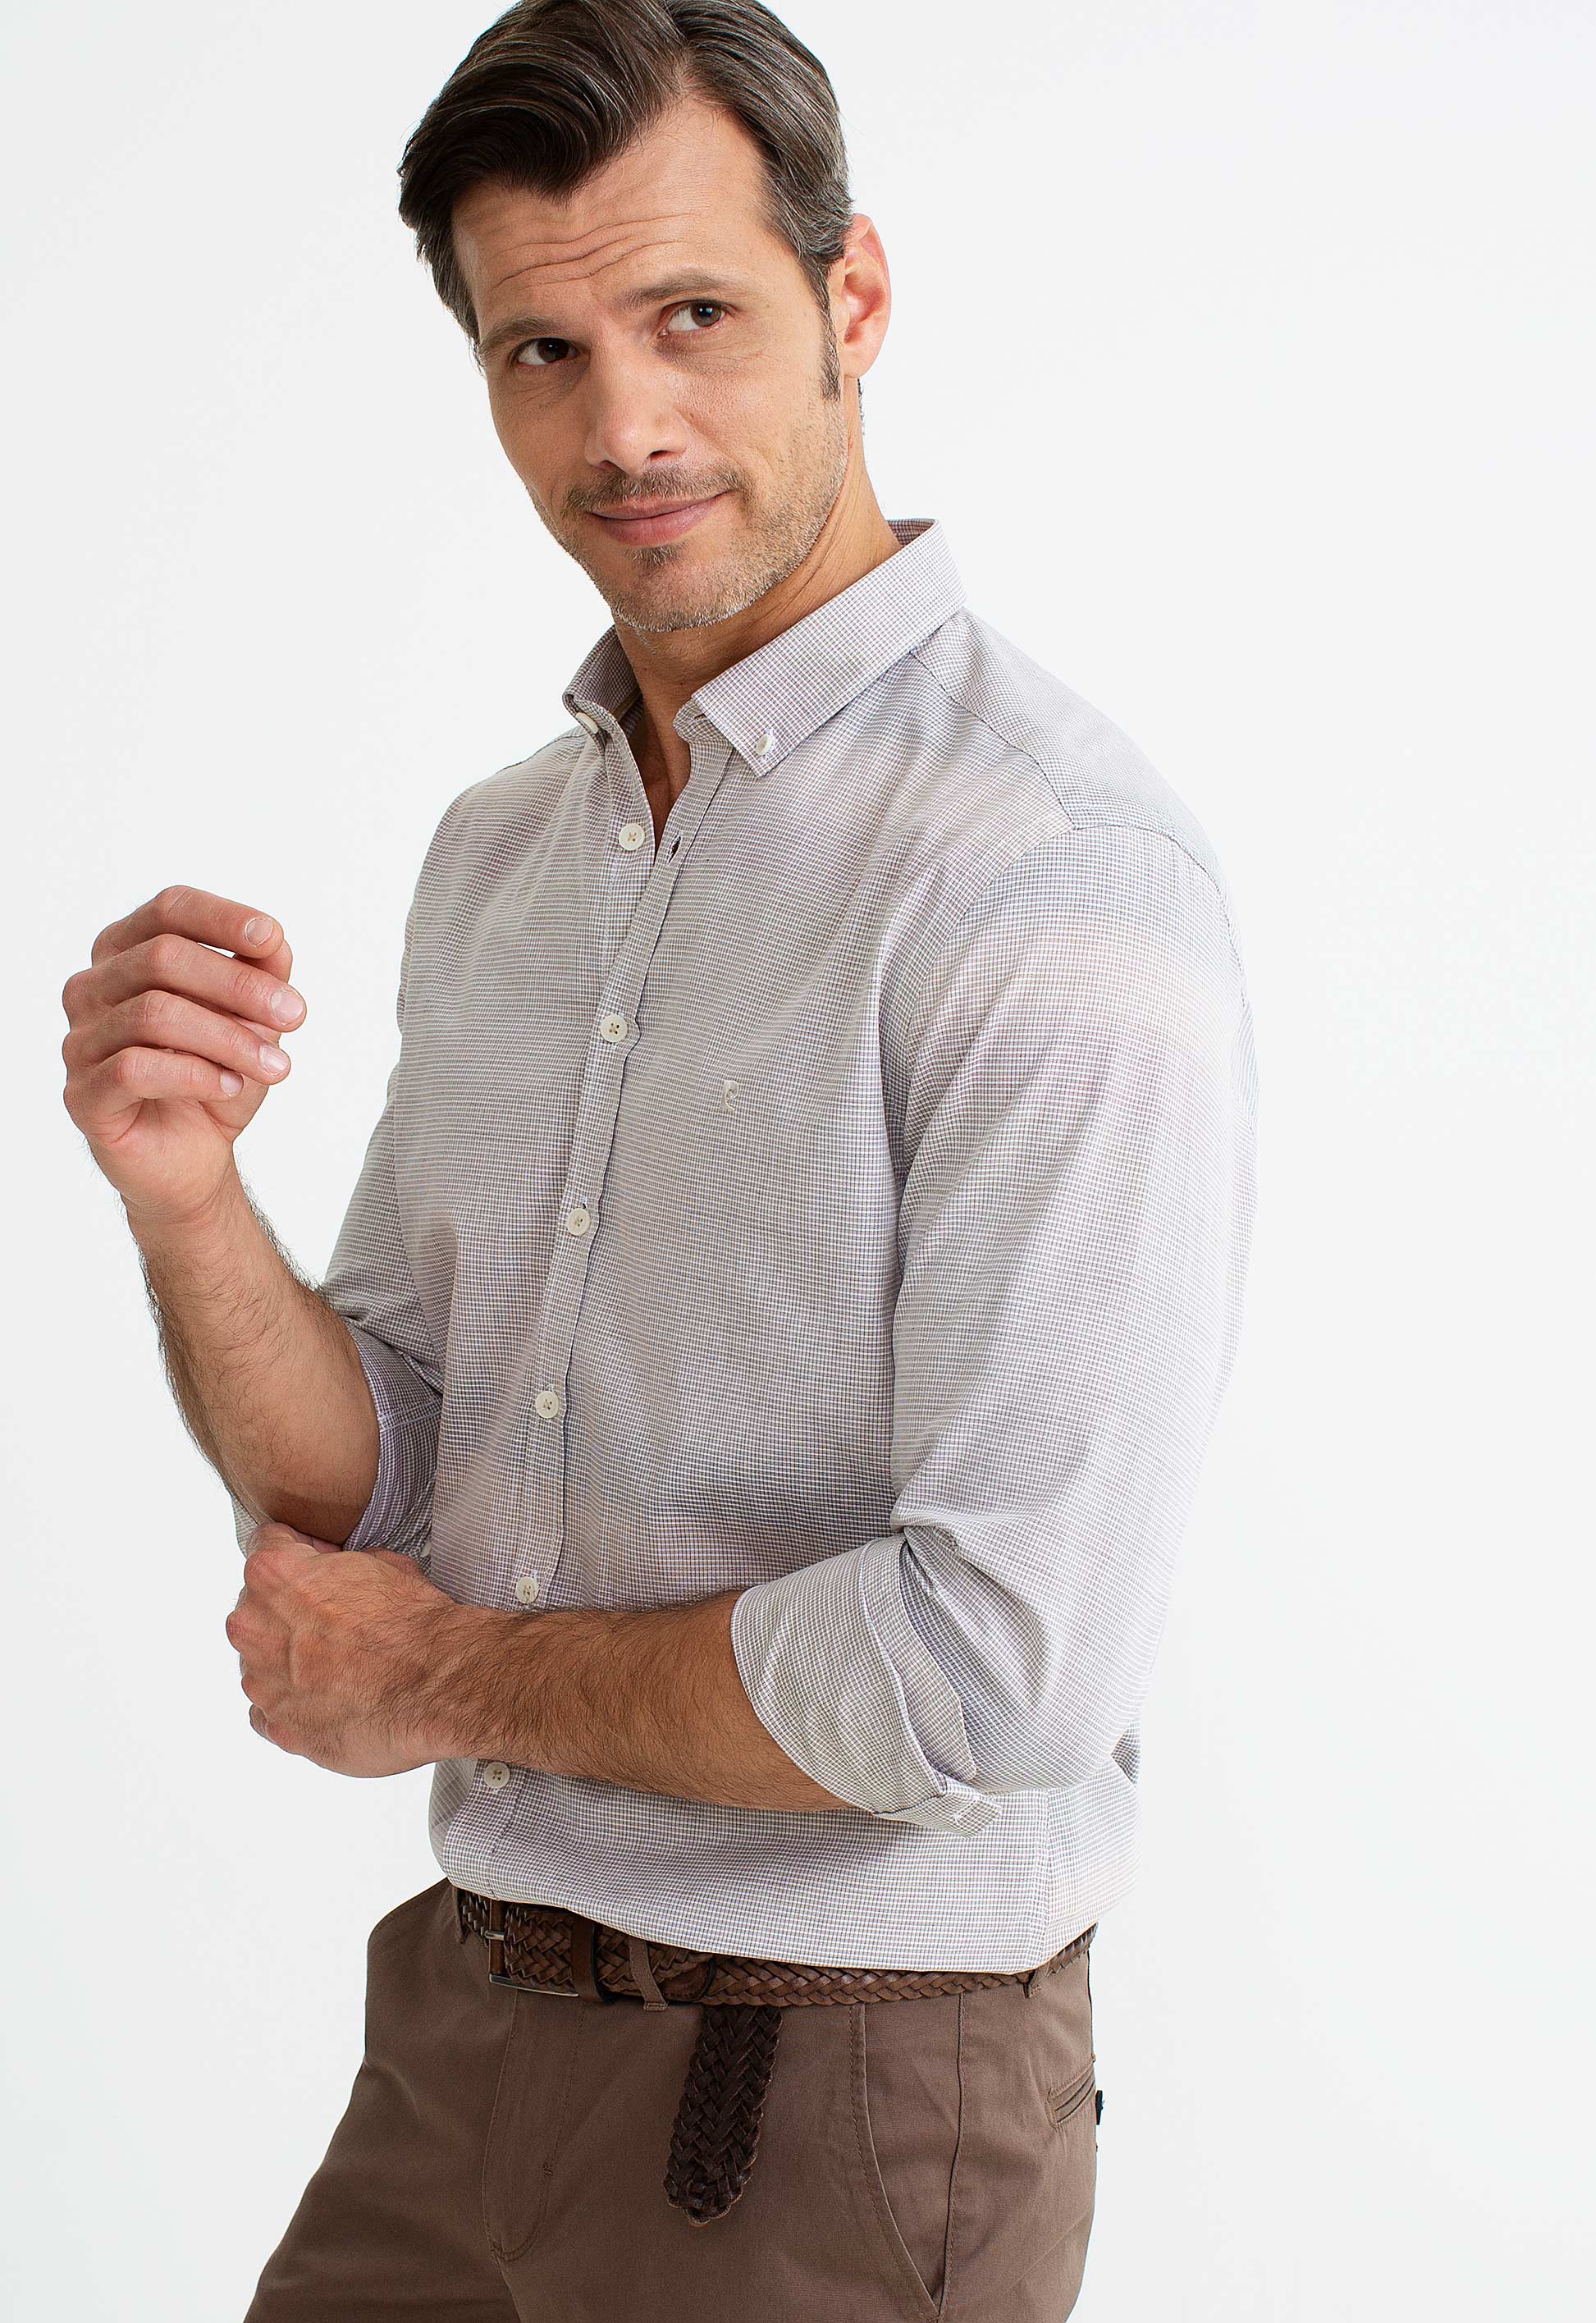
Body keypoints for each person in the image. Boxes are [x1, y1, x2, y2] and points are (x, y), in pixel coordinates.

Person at [57, 3, 1258, 2316]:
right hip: (466, 2033)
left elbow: (989, 1673)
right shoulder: (506, 851)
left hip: (831, 2097)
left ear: (852, 296)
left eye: (691, 313)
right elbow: (387, 1479)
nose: (622, 426)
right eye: (543, 350)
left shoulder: (1051, 878)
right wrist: (185, 1195)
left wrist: (445, 1682)